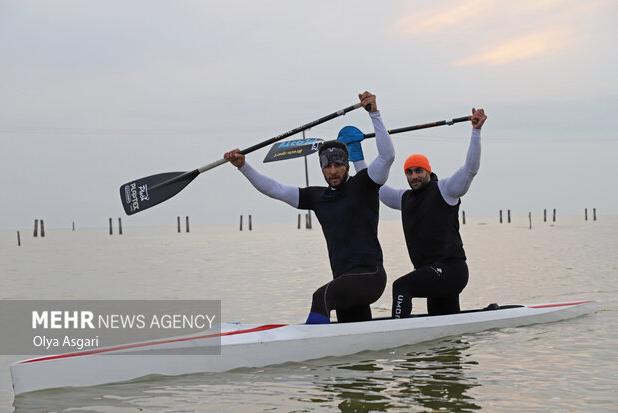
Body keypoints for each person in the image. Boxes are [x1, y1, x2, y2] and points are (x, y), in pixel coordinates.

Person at [223, 92, 395, 324]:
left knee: (321, 296)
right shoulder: (317, 197)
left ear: (346, 165)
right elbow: (275, 189)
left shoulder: (364, 184)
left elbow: (387, 156)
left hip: (370, 276)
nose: (333, 171)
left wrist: (375, 114)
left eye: (338, 165)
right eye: (327, 166)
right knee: (353, 335)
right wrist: (244, 167)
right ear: (322, 168)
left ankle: (307, 346)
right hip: (344, 279)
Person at [377, 108, 487, 318]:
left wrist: (476, 132)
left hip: (452, 270)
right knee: (445, 331)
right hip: (433, 273)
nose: (414, 176)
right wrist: (356, 157)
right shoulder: (404, 199)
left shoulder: (445, 190)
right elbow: (375, 187)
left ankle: (396, 333)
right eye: (409, 172)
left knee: (401, 286)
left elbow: (470, 170)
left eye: (419, 171)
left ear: (428, 171)